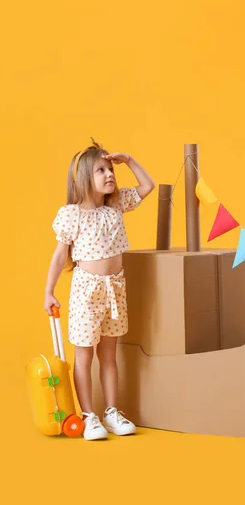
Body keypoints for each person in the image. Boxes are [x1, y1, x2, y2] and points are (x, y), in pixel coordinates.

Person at [43, 137, 156, 440]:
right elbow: (59, 255)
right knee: (84, 355)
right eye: (101, 170)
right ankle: (88, 414)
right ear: (83, 179)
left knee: (109, 355)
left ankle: (111, 412)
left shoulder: (116, 204)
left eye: (111, 169)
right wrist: (48, 290)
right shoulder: (72, 214)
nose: (110, 175)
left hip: (115, 289)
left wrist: (129, 160)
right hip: (86, 292)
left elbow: (148, 187)